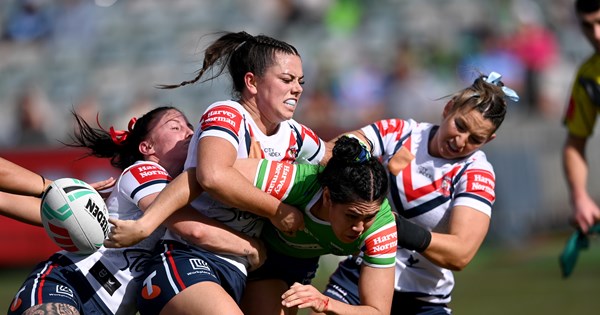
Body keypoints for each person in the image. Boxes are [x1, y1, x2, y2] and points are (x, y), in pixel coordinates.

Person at [105, 30, 327, 315]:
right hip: (187, 261)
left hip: (237, 271)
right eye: (287, 80)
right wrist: (277, 210)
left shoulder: (295, 134)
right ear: (252, 82)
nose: (297, 88)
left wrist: (367, 145)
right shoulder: (228, 114)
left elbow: (332, 155)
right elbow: (211, 176)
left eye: (300, 81)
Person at [7, 107, 265, 315]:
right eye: (175, 127)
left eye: (190, 127)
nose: (188, 133)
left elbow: (52, 213)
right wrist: (253, 248)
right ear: (147, 148)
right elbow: (192, 229)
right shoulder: (145, 171)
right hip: (72, 283)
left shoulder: (187, 194)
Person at [106, 136, 397, 315]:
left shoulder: (380, 226)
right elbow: (204, 175)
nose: (360, 227)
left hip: (293, 269)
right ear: (327, 196)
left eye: (368, 217)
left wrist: (326, 303)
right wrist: (147, 224)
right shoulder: (293, 181)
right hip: (259, 260)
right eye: (351, 216)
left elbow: (377, 310)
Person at [318, 71, 518, 314]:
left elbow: (461, 253)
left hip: (423, 299)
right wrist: (354, 154)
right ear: (448, 108)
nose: (460, 140)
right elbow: (335, 151)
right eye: (460, 125)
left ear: (489, 140)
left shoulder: (476, 173)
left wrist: (391, 225)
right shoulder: (402, 133)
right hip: (359, 274)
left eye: (476, 139)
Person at [562, 0, 600, 234]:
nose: (596, 34)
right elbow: (574, 144)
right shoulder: (588, 77)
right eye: (588, 26)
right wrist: (580, 197)